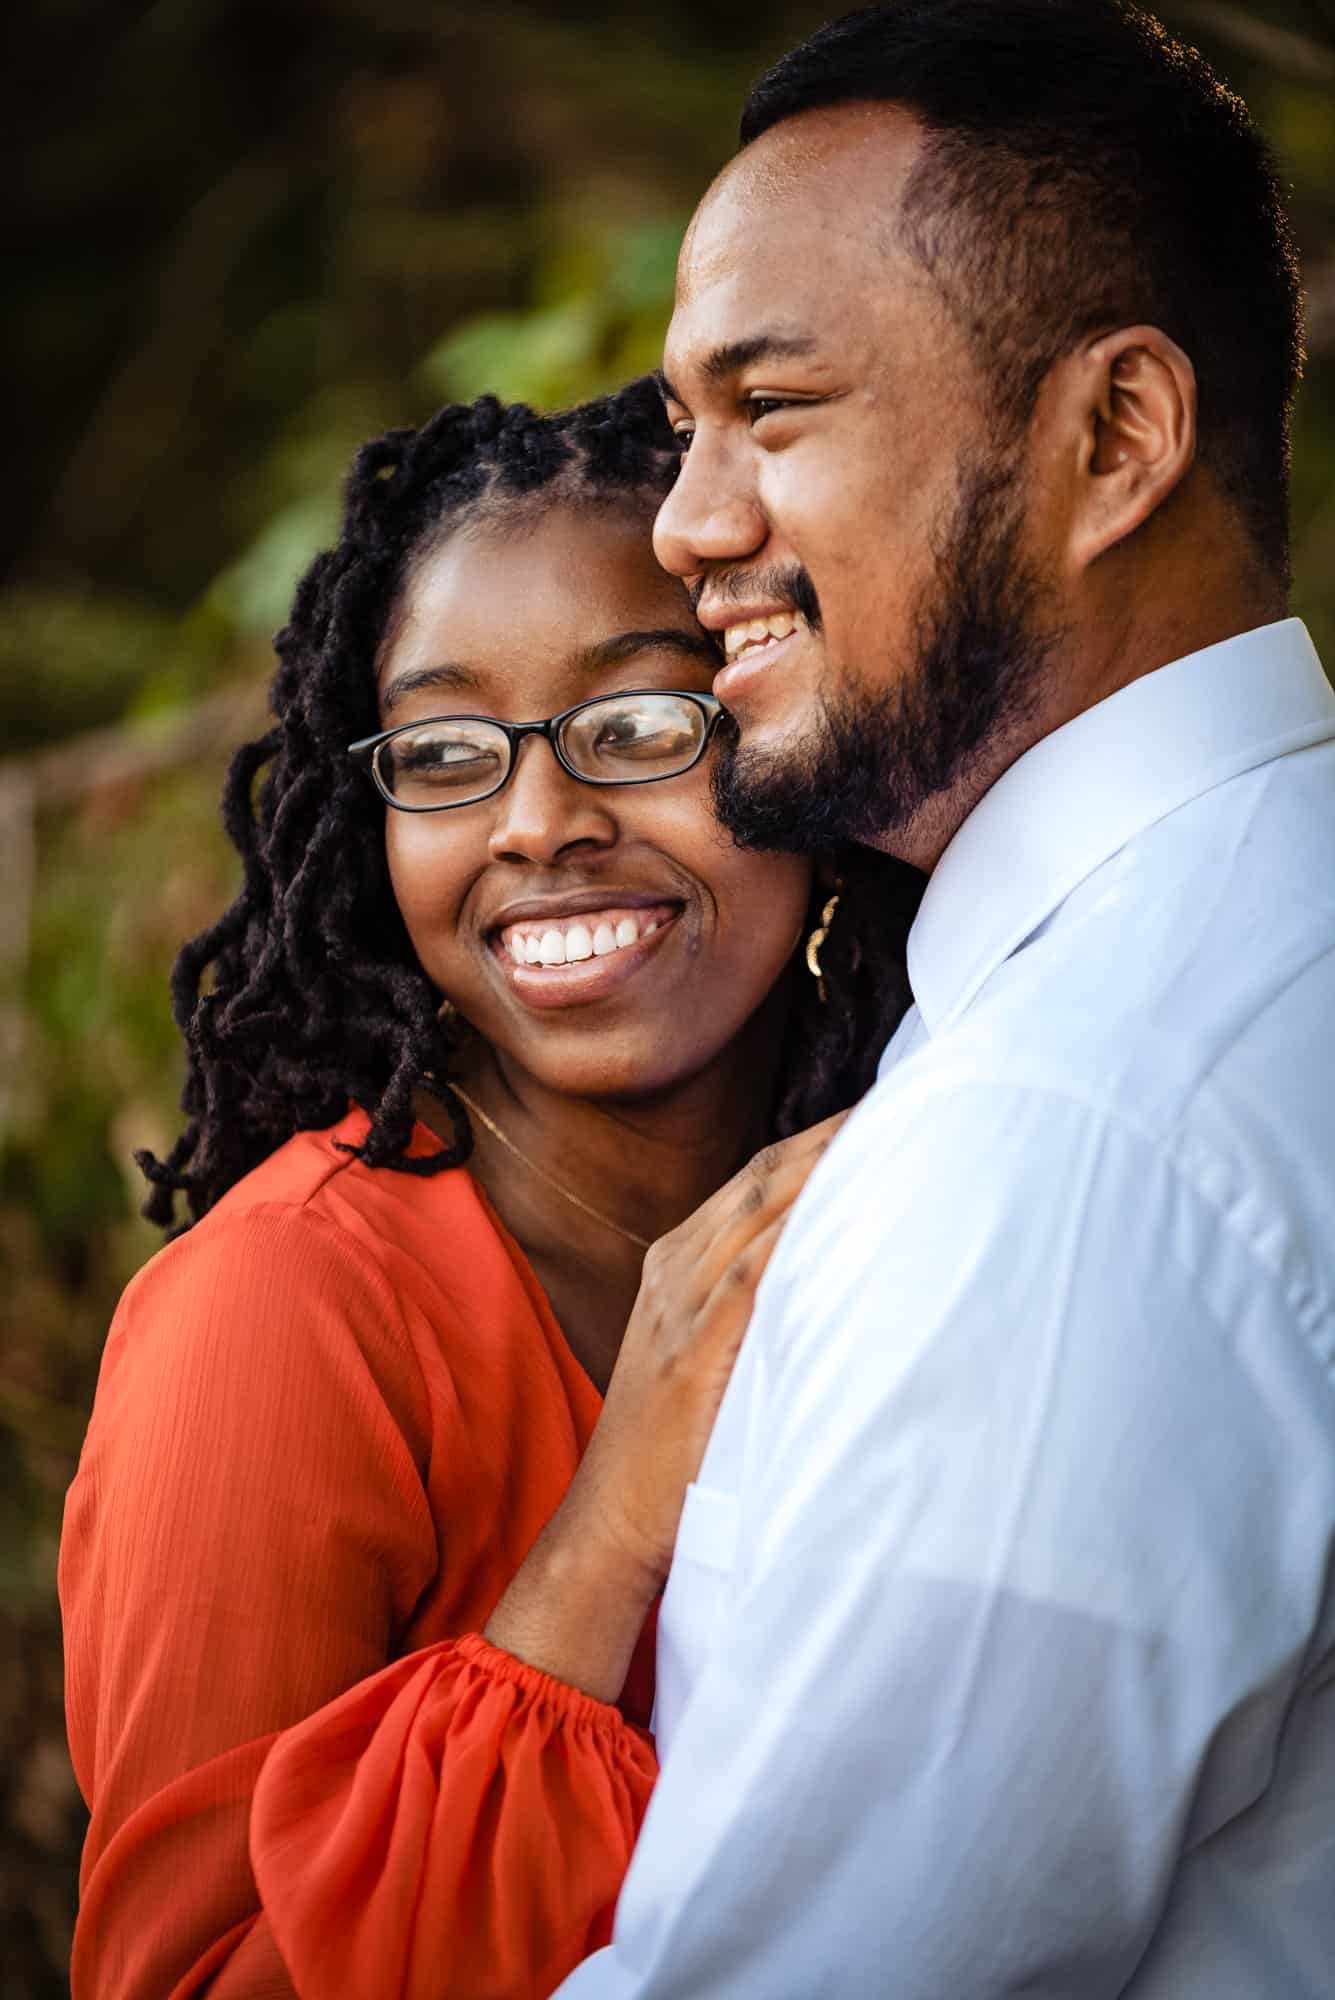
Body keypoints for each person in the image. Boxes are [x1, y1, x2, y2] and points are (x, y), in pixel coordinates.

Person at [553, 4, 1335, 1995]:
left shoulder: (1066, 1139)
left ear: (1112, 441)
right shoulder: (1251, 934)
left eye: (776, 408)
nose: (683, 523)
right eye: (679, 427)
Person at [58, 381, 920, 2000]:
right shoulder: (280, 1318)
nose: (539, 823)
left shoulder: (919, 1172)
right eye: (446, 751)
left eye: (646, 723)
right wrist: (606, 1532)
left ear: (804, 731)